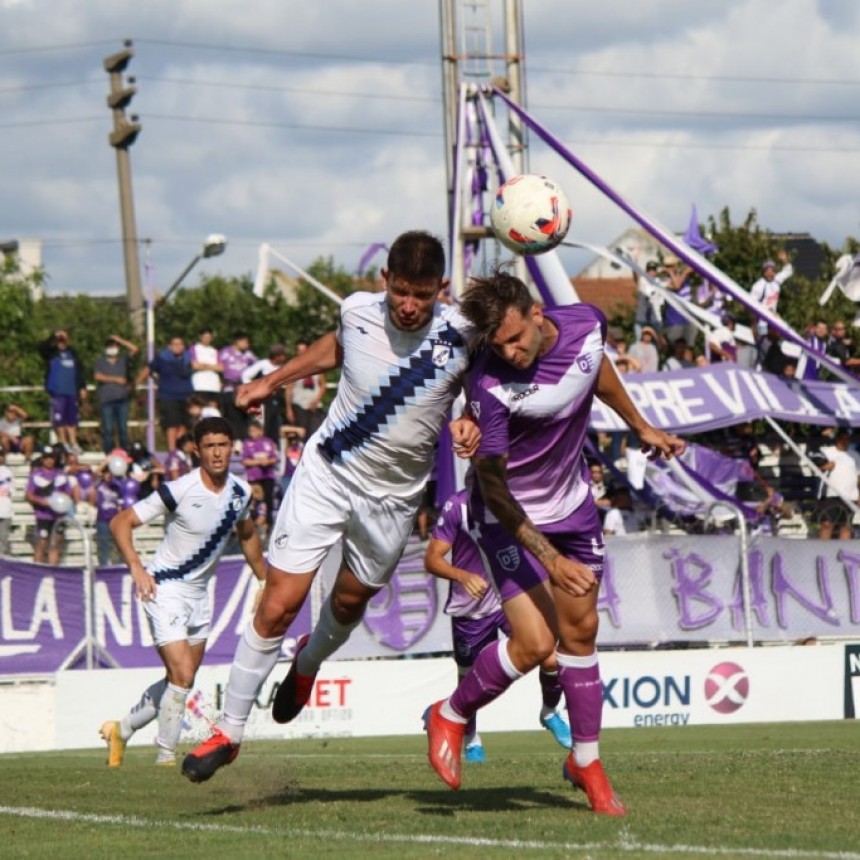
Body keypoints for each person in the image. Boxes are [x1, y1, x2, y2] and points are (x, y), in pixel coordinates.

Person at [181, 229, 480, 783]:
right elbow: (338, 347)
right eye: (401, 294)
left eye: (423, 295)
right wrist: (272, 380)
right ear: (384, 281)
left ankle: (308, 664)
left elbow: (481, 386)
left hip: (392, 499)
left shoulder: (464, 335)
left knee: (348, 602)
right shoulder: (357, 311)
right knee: (279, 601)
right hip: (328, 472)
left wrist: (472, 416)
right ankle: (229, 730)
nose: (410, 307)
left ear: (442, 288)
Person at [422, 268, 684, 815]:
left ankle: (585, 760)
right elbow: (492, 488)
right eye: (499, 345)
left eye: (517, 338)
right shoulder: (492, 387)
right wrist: (551, 559)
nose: (511, 352)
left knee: (582, 632)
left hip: (574, 509)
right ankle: (449, 712)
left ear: (538, 315)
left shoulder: (588, 324)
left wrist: (640, 426)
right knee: (536, 644)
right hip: (508, 517)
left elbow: (597, 374)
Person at [100, 417, 266, 768]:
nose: (217, 452)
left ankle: (122, 729)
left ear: (232, 447)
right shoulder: (180, 489)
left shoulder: (241, 493)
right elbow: (121, 522)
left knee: (180, 679)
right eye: (209, 446)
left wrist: (265, 580)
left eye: (223, 444)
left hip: (201, 596)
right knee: (183, 677)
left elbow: (248, 535)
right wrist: (136, 567)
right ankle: (164, 759)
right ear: (196, 451)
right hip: (165, 587)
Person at [425, 488, 572, 763]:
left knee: (551, 656)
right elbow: (432, 558)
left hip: (509, 598)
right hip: (470, 608)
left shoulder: (515, 497)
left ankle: (550, 712)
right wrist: (462, 575)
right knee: (468, 681)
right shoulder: (457, 505)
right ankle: (470, 738)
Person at [138, 335, 193, 452]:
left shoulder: (188, 358)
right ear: (169, 346)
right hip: (168, 396)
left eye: (180, 344)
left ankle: (181, 449)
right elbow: (148, 370)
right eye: (175, 344)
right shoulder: (162, 358)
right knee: (171, 424)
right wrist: (137, 384)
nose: (178, 347)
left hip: (186, 396)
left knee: (185, 425)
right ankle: (172, 451)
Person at [25, 444, 77, 564]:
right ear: (42, 459)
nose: (49, 460)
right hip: (43, 515)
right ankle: (37, 570)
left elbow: (68, 493)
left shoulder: (61, 475)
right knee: (41, 542)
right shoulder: (36, 475)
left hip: (59, 515)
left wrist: (62, 502)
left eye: (52, 458)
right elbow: (29, 495)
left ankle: (53, 571)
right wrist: (42, 501)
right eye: (47, 458)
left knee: (55, 544)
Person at [39, 328, 87, 454]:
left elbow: (80, 371)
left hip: (71, 391)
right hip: (57, 391)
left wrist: (82, 387)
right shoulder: (51, 353)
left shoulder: (73, 353)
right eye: (59, 341)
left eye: (63, 340)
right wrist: (53, 336)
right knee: (59, 419)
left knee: (72, 419)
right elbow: (42, 348)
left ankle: (73, 442)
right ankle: (63, 442)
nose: (61, 343)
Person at [93, 334, 138, 454]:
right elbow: (97, 376)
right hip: (106, 400)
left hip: (122, 400)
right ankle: (108, 453)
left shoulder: (123, 360)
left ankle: (124, 453)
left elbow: (135, 349)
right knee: (108, 429)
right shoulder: (100, 361)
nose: (113, 348)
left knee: (123, 429)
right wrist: (116, 379)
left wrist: (120, 340)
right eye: (110, 346)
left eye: (115, 346)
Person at [812, 428, 860, 540]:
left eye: (847, 438)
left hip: (850, 496)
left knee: (846, 526)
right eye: (843, 438)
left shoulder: (855, 455)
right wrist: (824, 467)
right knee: (827, 525)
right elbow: (814, 467)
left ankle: (843, 555)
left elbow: (858, 476)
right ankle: (822, 552)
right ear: (838, 438)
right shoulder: (827, 451)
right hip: (831, 494)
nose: (845, 440)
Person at [241, 344, 289, 444]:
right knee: (261, 425)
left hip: (275, 401)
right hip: (262, 401)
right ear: (277, 356)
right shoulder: (262, 365)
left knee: (274, 425)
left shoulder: (282, 368)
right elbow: (245, 375)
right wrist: (253, 390)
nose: (284, 357)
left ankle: (272, 447)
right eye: (282, 355)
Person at [240, 418, 279, 535]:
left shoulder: (268, 442)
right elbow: (245, 461)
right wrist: (257, 462)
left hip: (267, 476)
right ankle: (252, 526)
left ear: (260, 430)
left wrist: (267, 462)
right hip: (253, 478)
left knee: (268, 501)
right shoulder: (247, 443)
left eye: (255, 431)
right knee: (253, 502)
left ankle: (269, 526)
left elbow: (274, 458)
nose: (252, 433)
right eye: (250, 431)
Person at [219, 331, 258, 440]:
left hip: (244, 390)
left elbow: (258, 367)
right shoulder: (225, 352)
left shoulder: (248, 354)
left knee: (245, 417)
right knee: (231, 417)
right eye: (245, 341)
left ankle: (245, 442)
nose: (247, 344)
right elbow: (218, 367)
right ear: (237, 341)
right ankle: (234, 441)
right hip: (229, 389)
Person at [285, 342, 328, 439]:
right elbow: (289, 389)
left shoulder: (317, 365)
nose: (302, 353)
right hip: (299, 406)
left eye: (304, 350)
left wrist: (317, 400)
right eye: (299, 351)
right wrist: (289, 409)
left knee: (316, 434)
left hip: (315, 405)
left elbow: (323, 385)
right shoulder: (293, 368)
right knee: (301, 435)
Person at [750, 250, 793, 315]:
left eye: (772, 271)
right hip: (761, 319)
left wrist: (784, 260)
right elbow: (751, 304)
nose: (770, 274)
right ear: (763, 273)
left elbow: (788, 271)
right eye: (767, 272)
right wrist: (768, 310)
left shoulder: (776, 280)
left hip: (772, 317)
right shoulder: (758, 286)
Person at [188, 326, 224, 404]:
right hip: (199, 385)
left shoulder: (215, 351)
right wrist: (212, 367)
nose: (207, 339)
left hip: (214, 386)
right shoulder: (194, 348)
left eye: (209, 337)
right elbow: (195, 365)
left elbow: (221, 368)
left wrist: (204, 365)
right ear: (200, 337)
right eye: (205, 337)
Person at [0, 446, 13, 555]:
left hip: (5, 511)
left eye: (1, 455)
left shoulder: (8, 472)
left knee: (3, 540)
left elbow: (11, 491)